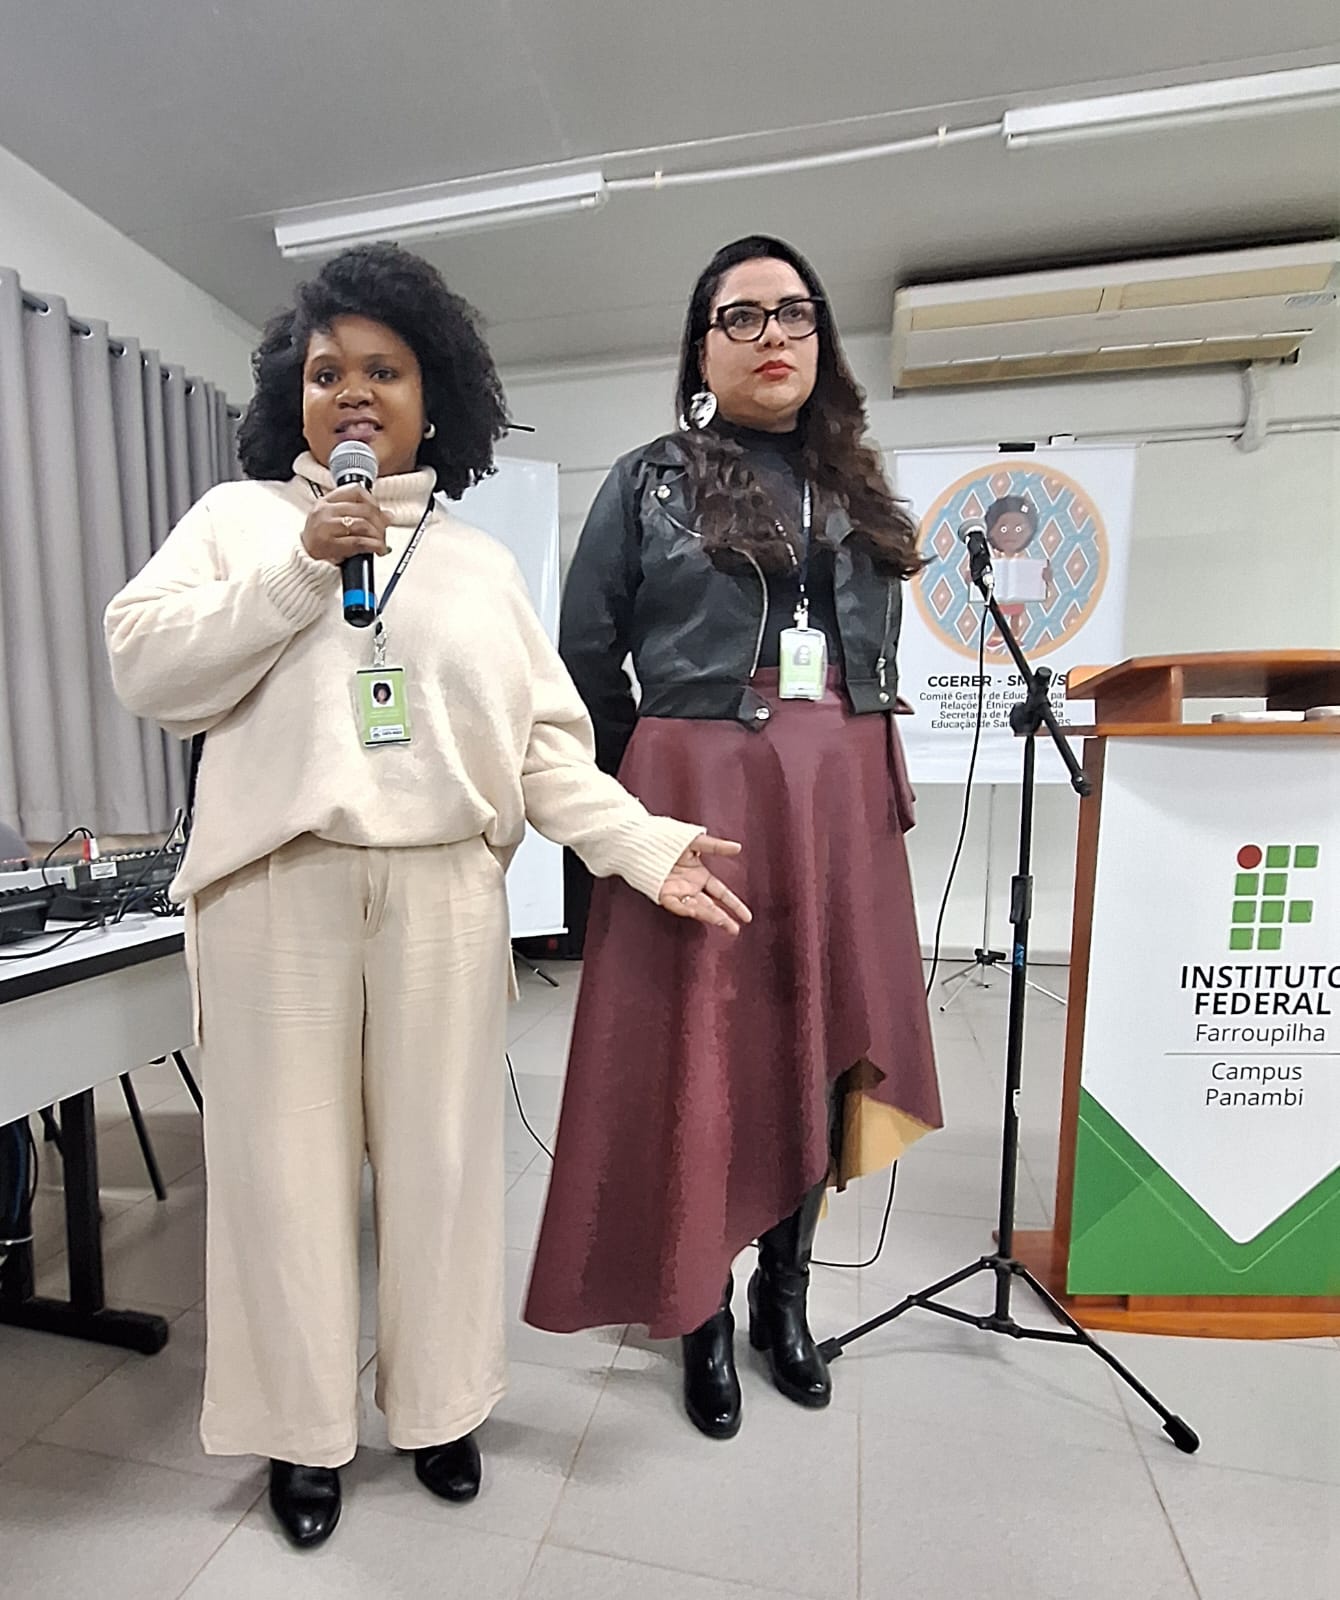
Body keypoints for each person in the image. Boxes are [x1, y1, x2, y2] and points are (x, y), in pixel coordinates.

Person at [104, 244, 748, 1548]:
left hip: (445, 894)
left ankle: (441, 1406)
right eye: (324, 371)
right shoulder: (236, 522)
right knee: (281, 1182)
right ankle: (300, 1432)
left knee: (443, 1171)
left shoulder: (478, 568)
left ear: (433, 399)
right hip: (274, 892)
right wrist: (299, 568)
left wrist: (637, 845)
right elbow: (146, 665)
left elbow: (544, 752)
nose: (350, 391)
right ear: (292, 394)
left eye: (382, 370)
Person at [526, 236, 943, 1438]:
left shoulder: (857, 491)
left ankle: (783, 1295)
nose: (773, 336)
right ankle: (699, 1307)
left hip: (835, 795)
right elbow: (580, 661)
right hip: (698, 787)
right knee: (700, 1049)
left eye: (794, 314)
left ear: (820, 340)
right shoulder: (645, 482)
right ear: (701, 347)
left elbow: (869, 654)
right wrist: (640, 797)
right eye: (743, 315)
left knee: (820, 1044)